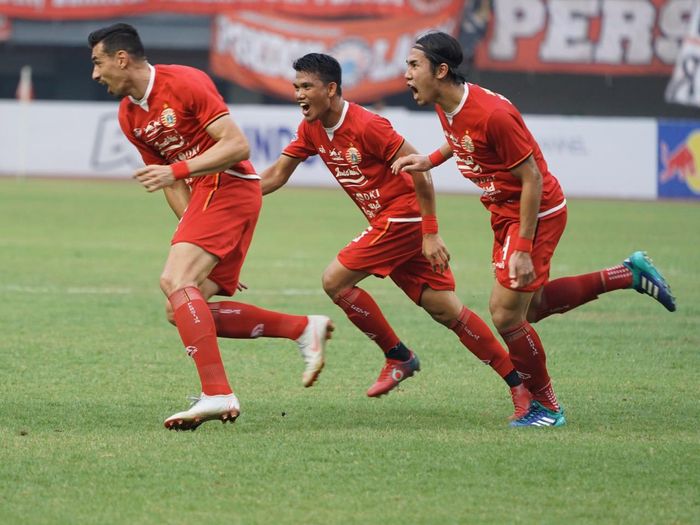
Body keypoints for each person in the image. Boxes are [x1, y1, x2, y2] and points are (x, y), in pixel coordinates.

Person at [392, 31, 677, 427]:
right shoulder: (448, 103)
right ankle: (628, 274)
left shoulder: (493, 113)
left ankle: (547, 408)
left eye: (413, 65)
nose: (406, 74)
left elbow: (532, 180)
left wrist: (523, 247)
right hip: (505, 212)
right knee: (533, 307)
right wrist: (430, 159)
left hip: (535, 213)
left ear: (441, 70)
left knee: (505, 315)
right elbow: (463, 140)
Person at [261, 52, 533, 420]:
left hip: (403, 219)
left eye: (306, 86)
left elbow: (420, 170)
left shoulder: (368, 124)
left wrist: (431, 232)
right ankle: (520, 386)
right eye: (296, 87)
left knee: (335, 281)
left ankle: (397, 355)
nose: (299, 94)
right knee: (446, 310)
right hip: (392, 225)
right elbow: (275, 175)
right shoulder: (310, 129)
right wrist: (224, 191)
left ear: (331, 88)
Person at [88, 23, 333, 431]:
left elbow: (237, 146)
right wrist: (195, 235)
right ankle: (302, 329)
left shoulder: (184, 82)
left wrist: (177, 172)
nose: (95, 74)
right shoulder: (129, 114)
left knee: (174, 278)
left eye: (98, 63)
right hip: (210, 199)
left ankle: (217, 392)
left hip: (230, 185)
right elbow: (168, 180)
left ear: (121, 59)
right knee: (179, 306)